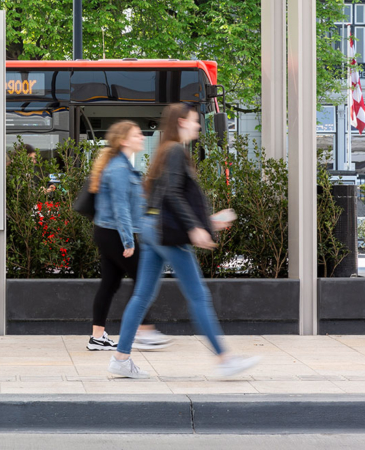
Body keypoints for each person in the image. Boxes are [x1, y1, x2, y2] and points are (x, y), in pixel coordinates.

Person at [107, 103, 260, 380]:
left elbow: (165, 198)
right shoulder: (176, 151)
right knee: (198, 295)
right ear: (181, 122)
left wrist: (207, 223)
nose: (198, 125)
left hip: (152, 228)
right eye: (194, 120)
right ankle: (225, 359)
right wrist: (194, 228)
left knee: (142, 296)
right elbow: (174, 195)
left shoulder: (165, 151)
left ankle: (121, 358)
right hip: (166, 233)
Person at [87, 120, 171, 352]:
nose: (141, 137)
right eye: (136, 135)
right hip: (115, 233)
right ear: (123, 140)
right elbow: (121, 208)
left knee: (110, 284)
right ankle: (144, 331)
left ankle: (97, 337)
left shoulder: (122, 166)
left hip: (109, 231)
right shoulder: (119, 169)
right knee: (143, 279)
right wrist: (128, 241)